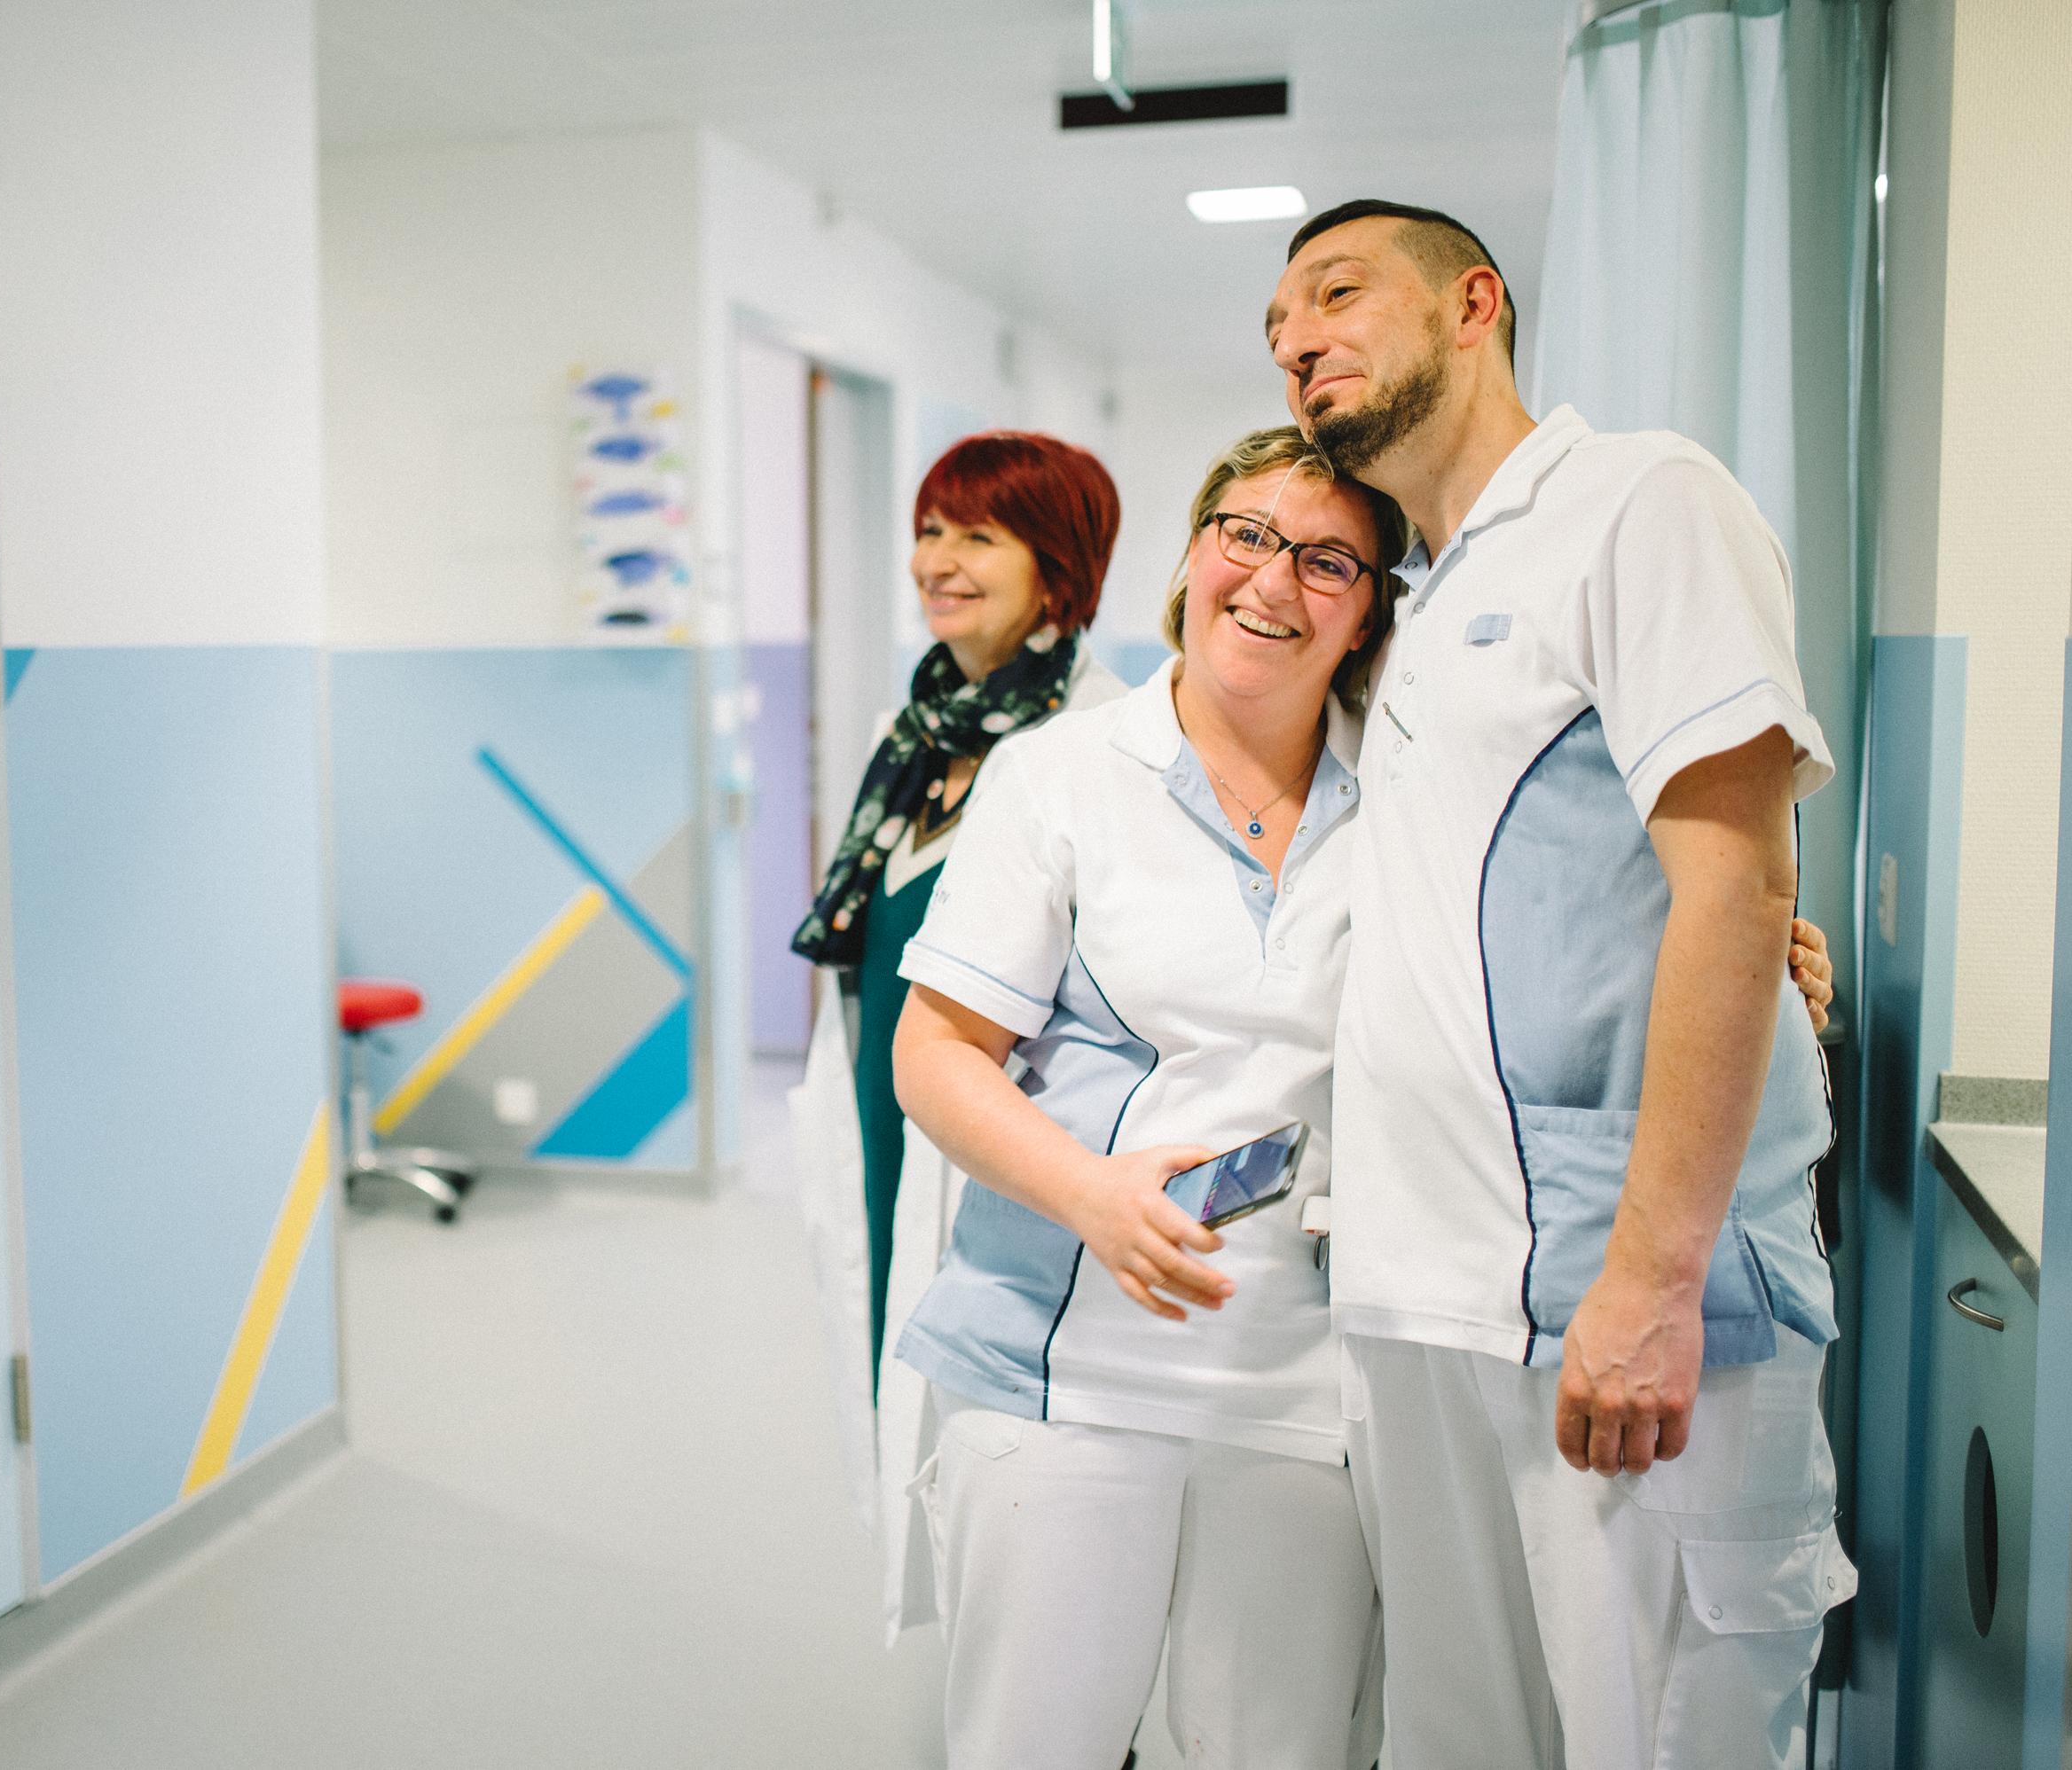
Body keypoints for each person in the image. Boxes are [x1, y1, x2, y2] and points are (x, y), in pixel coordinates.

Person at [1265, 199, 1852, 1768]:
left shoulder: (1638, 501)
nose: (1299, 338)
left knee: (1660, 1737)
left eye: (1335, 293)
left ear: (1476, 305)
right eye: (1276, 329)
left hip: (1625, 1306)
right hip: (1430, 1297)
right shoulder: (1424, 607)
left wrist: (1654, 1284)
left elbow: (1739, 882)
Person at [889, 427, 1401, 1770]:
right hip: (1064, 1369)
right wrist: (1091, 1197)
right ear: (1190, 554)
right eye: (1245, 534)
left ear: (1370, 611)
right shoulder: (1059, 775)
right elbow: (934, 1053)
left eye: (1328, 560)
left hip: (1307, 1389)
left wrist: (1769, 958)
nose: (1273, 582)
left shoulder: (1411, 796)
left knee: (1280, 1752)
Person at [787, 430, 1126, 1628]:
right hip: (888, 1130)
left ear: (1060, 567)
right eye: (931, 530)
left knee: (1032, 1485)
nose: (940, 560)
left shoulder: (1103, 747)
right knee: (912, 1416)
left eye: (980, 535)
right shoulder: (911, 736)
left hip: (1004, 1156)